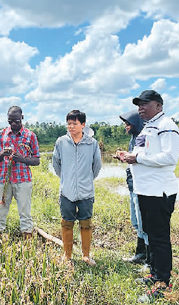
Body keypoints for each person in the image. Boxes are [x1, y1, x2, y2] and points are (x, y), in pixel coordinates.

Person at [121, 90, 179, 302]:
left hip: (159, 192)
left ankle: (162, 284)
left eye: (144, 104)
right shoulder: (148, 127)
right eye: (138, 104)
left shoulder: (167, 126)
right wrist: (130, 156)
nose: (140, 108)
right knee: (150, 233)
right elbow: (143, 154)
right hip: (145, 191)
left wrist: (138, 160)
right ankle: (154, 274)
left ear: (158, 105)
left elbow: (170, 157)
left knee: (159, 238)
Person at [52, 110, 102, 266]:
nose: (71, 126)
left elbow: (97, 166)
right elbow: (56, 164)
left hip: (86, 192)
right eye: (69, 123)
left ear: (83, 125)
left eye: (74, 123)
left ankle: (86, 255)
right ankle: (67, 256)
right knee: (67, 222)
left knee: (86, 223)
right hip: (66, 191)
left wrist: (85, 180)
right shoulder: (61, 142)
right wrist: (67, 179)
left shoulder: (91, 144)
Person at [0, 106, 40, 239]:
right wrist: (2, 154)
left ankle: (28, 240)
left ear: (22, 118)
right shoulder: (0, 135)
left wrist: (22, 159)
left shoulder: (30, 135)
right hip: (3, 180)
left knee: (25, 212)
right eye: (10, 121)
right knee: (0, 211)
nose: (13, 124)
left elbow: (37, 160)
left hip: (23, 180)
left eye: (16, 121)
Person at [116, 110, 149, 265]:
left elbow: (144, 159)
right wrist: (125, 156)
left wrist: (130, 157)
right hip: (132, 185)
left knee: (144, 224)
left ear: (136, 122)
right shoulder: (134, 139)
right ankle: (140, 254)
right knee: (136, 222)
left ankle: (148, 258)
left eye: (128, 123)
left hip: (141, 187)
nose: (126, 126)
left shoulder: (144, 138)